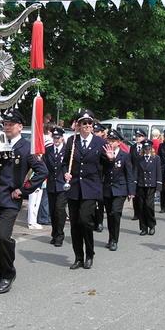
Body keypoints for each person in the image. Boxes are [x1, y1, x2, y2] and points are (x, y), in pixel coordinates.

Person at [0, 109, 47, 293]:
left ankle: (8, 273)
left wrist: (24, 189)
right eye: (5, 124)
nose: (7, 127)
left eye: (10, 124)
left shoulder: (25, 147)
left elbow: (42, 171)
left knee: (2, 236)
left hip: (10, 199)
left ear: (20, 127)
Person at [63, 109, 107, 270]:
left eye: (90, 123)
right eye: (84, 123)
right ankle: (78, 256)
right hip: (74, 187)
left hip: (91, 187)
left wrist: (111, 159)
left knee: (84, 220)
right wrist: (65, 174)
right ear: (79, 125)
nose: (87, 125)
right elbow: (64, 163)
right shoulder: (72, 141)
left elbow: (107, 166)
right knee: (74, 224)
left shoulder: (100, 143)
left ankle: (90, 253)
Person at [102, 129, 135, 251]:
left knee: (116, 213)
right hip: (107, 188)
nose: (110, 143)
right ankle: (111, 238)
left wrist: (131, 191)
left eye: (113, 141)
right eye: (109, 140)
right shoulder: (104, 154)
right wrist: (109, 159)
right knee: (110, 215)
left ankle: (115, 240)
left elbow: (129, 174)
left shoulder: (125, 155)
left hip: (120, 189)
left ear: (119, 142)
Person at [44, 127, 68, 247]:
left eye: (58, 138)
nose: (56, 140)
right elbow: (44, 165)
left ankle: (60, 235)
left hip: (62, 185)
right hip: (51, 185)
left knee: (60, 210)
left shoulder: (67, 150)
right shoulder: (48, 150)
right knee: (52, 211)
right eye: (54, 137)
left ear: (62, 138)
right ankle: (54, 233)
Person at [133, 139, 162, 236]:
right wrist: (134, 185)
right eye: (145, 149)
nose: (147, 150)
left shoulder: (156, 158)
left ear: (151, 148)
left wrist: (159, 185)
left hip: (151, 185)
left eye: (148, 148)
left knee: (149, 206)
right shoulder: (139, 158)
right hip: (141, 185)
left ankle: (152, 225)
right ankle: (143, 227)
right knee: (141, 207)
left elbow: (158, 172)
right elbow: (136, 172)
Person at [129, 129, 148, 220]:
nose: (137, 138)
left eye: (139, 136)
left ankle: (142, 212)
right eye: (136, 136)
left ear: (144, 137)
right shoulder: (133, 147)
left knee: (142, 194)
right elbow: (130, 160)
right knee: (134, 194)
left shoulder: (146, 147)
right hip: (133, 172)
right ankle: (136, 213)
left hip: (142, 173)